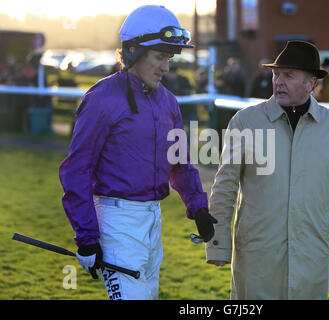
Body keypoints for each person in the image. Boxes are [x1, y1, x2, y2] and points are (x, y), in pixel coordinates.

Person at [205, 41, 329, 300]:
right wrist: (218, 245)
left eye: (288, 75)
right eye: (276, 74)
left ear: (312, 83)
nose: (278, 81)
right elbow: (224, 187)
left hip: (311, 260)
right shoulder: (245, 121)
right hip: (257, 260)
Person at [59, 5, 217, 300]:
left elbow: (180, 163)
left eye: (169, 58)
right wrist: (87, 237)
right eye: (159, 57)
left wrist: (199, 208)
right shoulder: (101, 99)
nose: (166, 67)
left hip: (152, 221)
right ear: (132, 53)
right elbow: (76, 171)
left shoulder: (168, 101)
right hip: (116, 222)